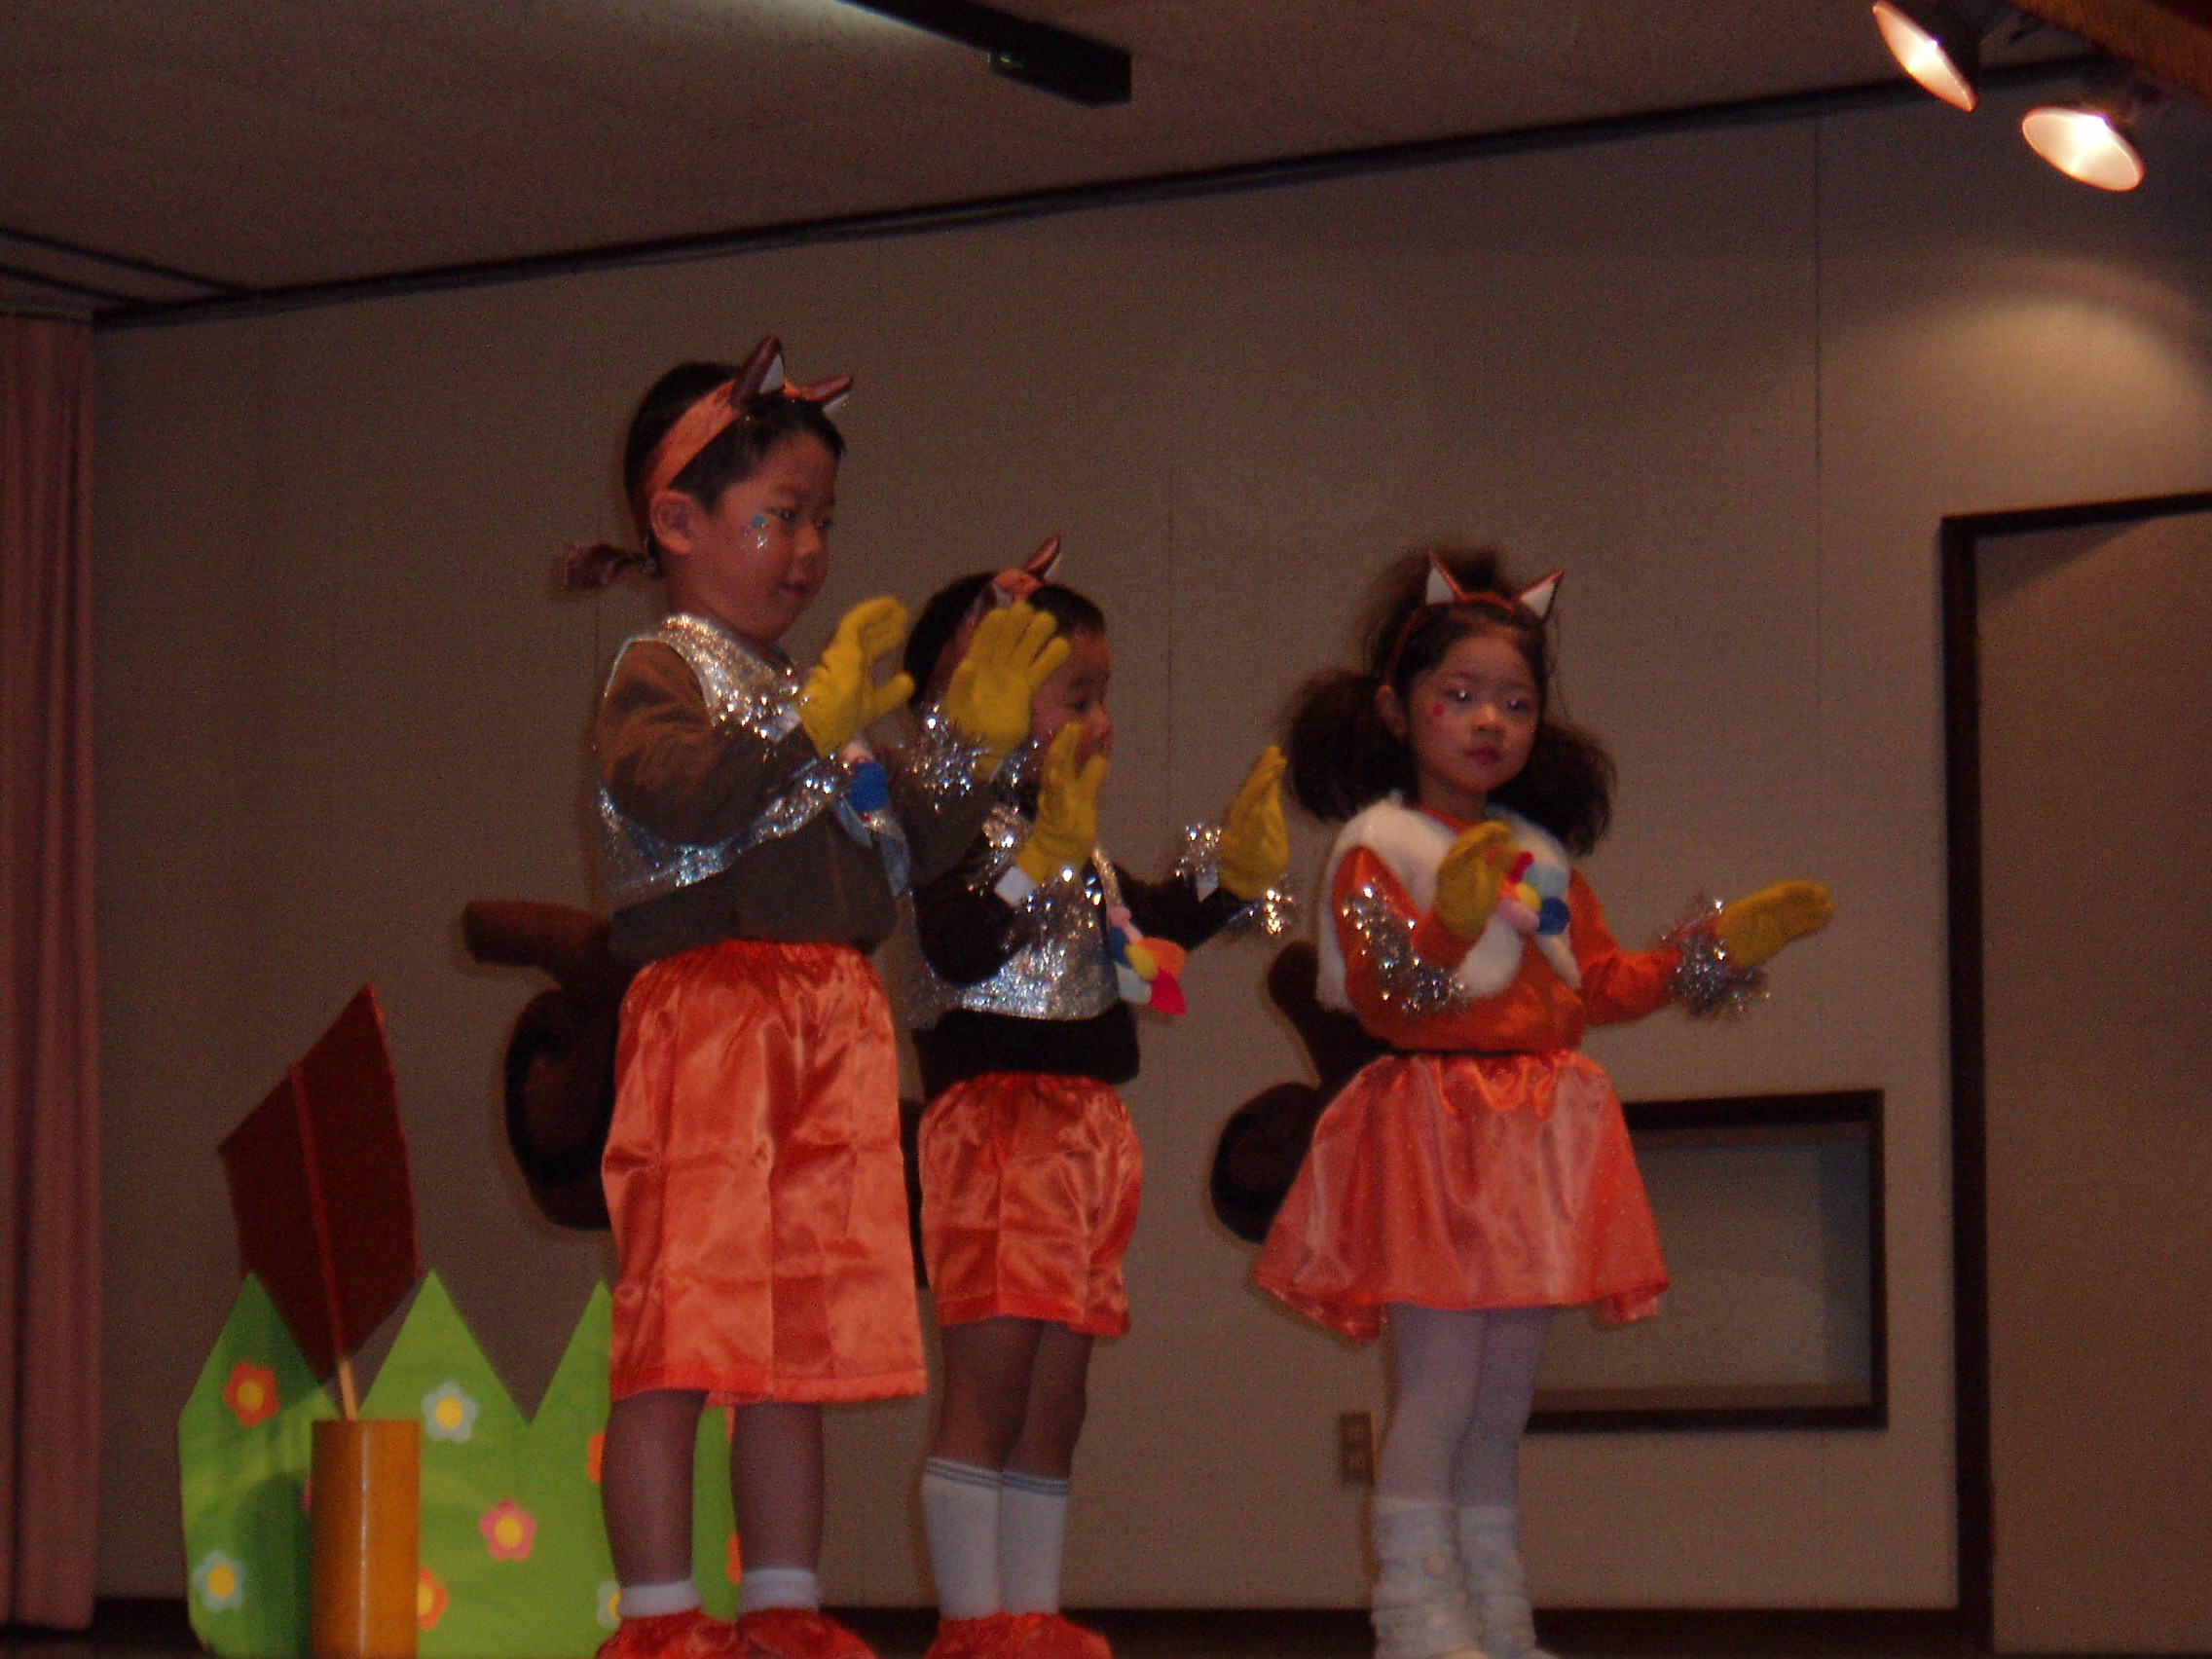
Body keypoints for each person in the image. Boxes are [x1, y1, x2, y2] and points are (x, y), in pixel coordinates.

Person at [568, 339, 1070, 1659]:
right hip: (715, 1028)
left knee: (791, 1344)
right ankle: (663, 1620)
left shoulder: (812, 691)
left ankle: (782, 1607)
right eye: (778, 515)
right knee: (680, 1334)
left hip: (826, 1030)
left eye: (823, 522)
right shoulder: (660, 672)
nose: (806, 549)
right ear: (677, 522)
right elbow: (686, 794)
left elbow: (916, 839)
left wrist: (975, 742)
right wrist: (806, 733)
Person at [1252, 547, 1832, 1659]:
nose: (1489, 722)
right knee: (1439, 1391)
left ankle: (1500, 1617)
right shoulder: (1379, 847)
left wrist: (1711, 952)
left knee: (1503, 1401)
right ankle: (1417, 1617)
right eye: (1460, 695)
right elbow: (1388, 996)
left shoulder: (1540, 854)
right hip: (1438, 1130)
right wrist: (1452, 922)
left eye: (1515, 703)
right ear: (1396, 709)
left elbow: (1596, 983)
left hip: (1535, 1135)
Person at [893, 551, 1295, 1659]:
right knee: (991, 1390)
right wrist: (1038, 858)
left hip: (1081, 1133)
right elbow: (957, 943)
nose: (1103, 722)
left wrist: (1226, 880)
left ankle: (1030, 1617)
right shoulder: (950, 827)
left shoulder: (1074, 842)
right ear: (986, 694)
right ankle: (974, 1628)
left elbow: (1140, 932)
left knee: (1056, 1404)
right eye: (1079, 696)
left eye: (1104, 696)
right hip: (998, 1128)